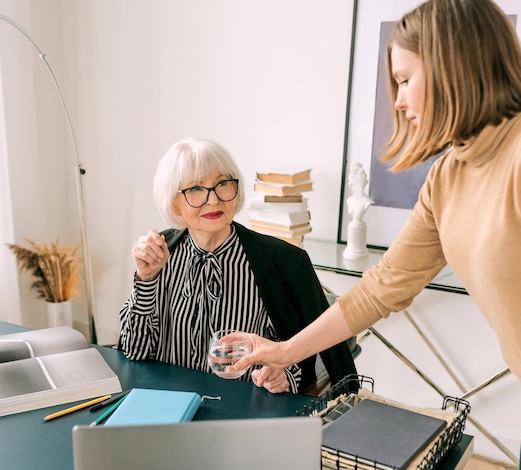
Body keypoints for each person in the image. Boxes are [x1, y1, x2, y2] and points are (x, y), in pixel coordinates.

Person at [228, 0, 521, 387]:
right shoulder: (448, 177)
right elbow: (381, 287)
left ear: (451, 67)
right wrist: (285, 352)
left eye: (404, 80)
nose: (398, 102)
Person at [118, 138, 357, 394]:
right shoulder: (160, 254)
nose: (213, 200)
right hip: (168, 404)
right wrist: (146, 280)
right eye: (196, 189)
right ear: (174, 203)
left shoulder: (284, 262)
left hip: (244, 409)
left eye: (222, 184)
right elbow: (136, 350)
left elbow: (303, 355)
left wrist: (284, 375)